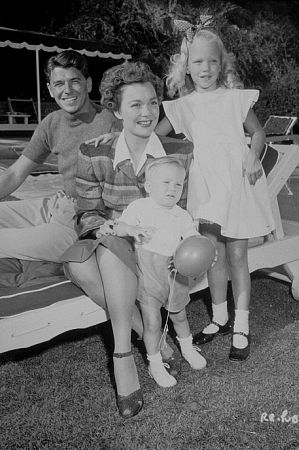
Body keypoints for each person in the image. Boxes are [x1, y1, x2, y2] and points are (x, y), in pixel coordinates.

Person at [60, 62, 194, 418]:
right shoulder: (93, 152)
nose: (147, 112)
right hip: (112, 238)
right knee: (77, 261)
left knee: (105, 257)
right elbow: (87, 212)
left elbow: (180, 213)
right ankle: (154, 339)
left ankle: (122, 355)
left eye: (152, 103)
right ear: (117, 111)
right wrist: (109, 228)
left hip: (151, 252)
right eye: (135, 105)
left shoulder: (178, 152)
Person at [154, 21, 275, 362]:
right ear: (186, 68)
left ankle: (241, 323)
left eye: (211, 61)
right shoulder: (184, 105)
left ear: (221, 64)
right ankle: (219, 316)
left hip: (238, 184)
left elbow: (259, 134)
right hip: (206, 187)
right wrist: (122, 135)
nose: (205, 68)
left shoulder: (235, 99)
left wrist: (253, 155)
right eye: (197, 62)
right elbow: (154, 136)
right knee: (213, 254)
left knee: (237, 256)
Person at [0, 50, 121, 262]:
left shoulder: (110, 121)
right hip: (59, 205)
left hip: (83, 223)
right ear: (50, 89)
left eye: (75, 81)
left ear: (88, 84)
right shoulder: (52, 122)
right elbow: (15, 173)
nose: (67, 90)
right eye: (59, 84)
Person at [108, 156, 207, 388]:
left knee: (180, 316)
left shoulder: (181, 215)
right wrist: (132, 228)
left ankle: (186, 347)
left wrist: (200, 249)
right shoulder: (140, 207)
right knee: (152, 323)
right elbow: (118, 227)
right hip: (149, 275)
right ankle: (155, 363)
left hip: (175, 275)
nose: (172, 189)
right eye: (166, 183)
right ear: (148, 186)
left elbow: (193, 238)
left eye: (178, 184)